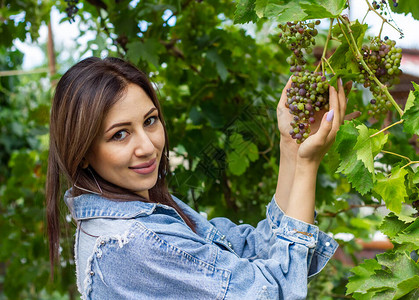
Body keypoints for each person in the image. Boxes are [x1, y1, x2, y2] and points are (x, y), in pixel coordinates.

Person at [46, 57, 349, 299]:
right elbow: (274, 293)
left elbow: (253, 250)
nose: (148, 146)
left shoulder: (146, 212)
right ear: (82, 151)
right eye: (120, 134)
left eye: (150, 121)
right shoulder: (133, 243)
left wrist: (291, 146)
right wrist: (308, 165)